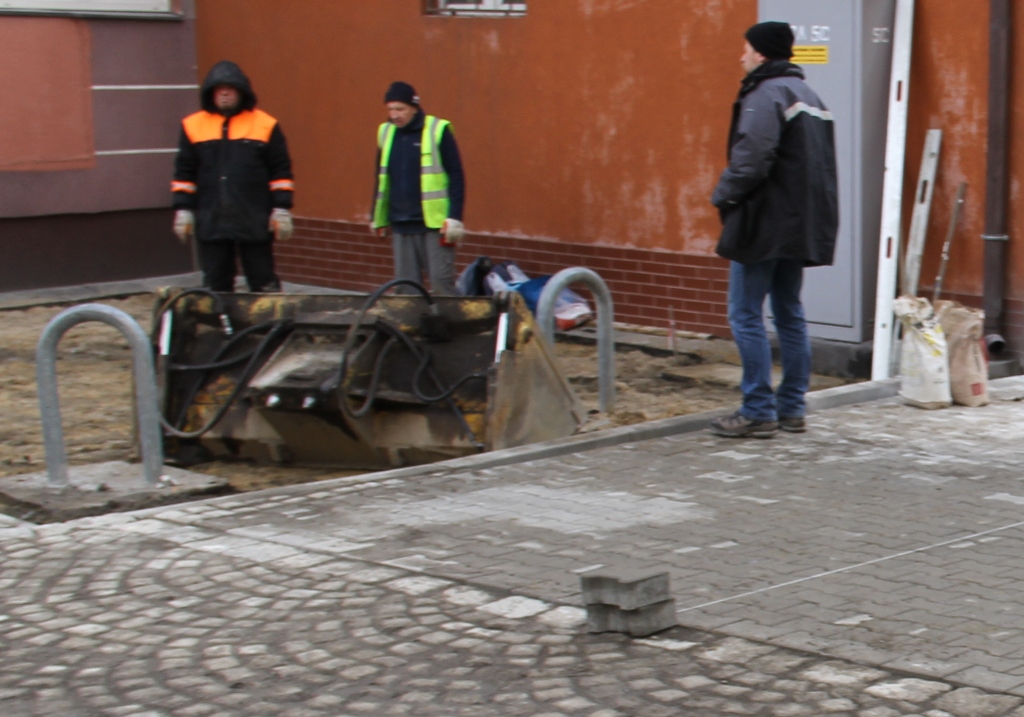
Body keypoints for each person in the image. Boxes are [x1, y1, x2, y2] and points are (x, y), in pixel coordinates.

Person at [709, 21, 839, 438]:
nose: (740, 56)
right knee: (790, 313)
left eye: (745, 49)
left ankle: (757, 410)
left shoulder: (765, 94)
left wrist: (723, 196)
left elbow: (752, 159)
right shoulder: (809, 95)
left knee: (745, 313)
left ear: (762, 53)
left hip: (764, 223)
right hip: (800, 224)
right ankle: (791, 409)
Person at [172, 60, 295, 292]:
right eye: (219, 89)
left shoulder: (265, 125)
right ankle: (220, 327)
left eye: (230, 88)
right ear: (211, 93)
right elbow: (184, 171)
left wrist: (281, 209)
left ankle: (268, 328)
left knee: (263, 282)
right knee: (216, 285)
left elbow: (281, 170)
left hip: (254, 218)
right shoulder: (193, 126)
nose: (225, 93)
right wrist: (183, 209)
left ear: (242, 91)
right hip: (212, 220)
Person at [371, 81, 465, 295]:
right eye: (390, 109)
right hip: (401, 224)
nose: (394, 115)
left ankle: (450, 327)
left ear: (415, 107)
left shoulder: (437, 130)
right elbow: (382, 177)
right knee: (406, 291)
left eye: (400, 109)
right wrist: (377, 216)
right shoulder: (386, 133)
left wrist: (454, 217)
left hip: (435, 225)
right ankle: (413, 329)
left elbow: (456, 175)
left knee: (442, 285)